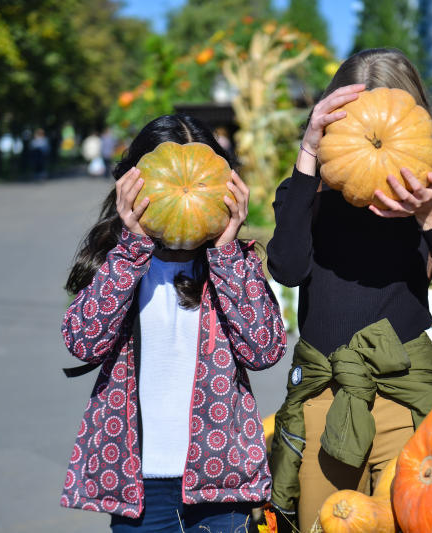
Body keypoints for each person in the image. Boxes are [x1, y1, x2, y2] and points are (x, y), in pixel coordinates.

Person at [266, 48, 432, 530]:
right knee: (322, 523)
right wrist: (308, 156)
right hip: (325, 394)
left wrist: (429, 216)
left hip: (403, 394)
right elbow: (285, 268)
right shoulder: (305, 193)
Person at [60, 114, 287, 532]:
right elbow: (83, 341)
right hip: (139, 488)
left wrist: (224, 252)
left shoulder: (232, 264)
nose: (185, 190)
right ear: (133, 184)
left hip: (222, 487)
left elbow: (265, 349)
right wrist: (130, 249)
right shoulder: (119, 262)